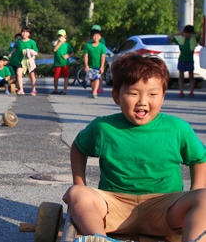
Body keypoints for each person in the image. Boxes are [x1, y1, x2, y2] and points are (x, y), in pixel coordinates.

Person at [63, 53, 206, 242]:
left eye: (152, 94)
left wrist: (194, 193)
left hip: (165, 208)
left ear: (163, 96)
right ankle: (99, 238)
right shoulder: (104, 128)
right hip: (113, 207)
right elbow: (79, 148)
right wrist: (80, 184)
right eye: (133, 93)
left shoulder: (177, 128)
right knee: (76, 193)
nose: (142, 101)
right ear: (116, 96)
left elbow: (199, 159)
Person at [168, 25, 202, 98]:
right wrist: (178, 33)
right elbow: (169, 36)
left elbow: (199, 33)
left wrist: (194, 32)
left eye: (189, 33)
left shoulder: (194, 39)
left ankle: (191, 92)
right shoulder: (181, 39)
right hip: (182, 60)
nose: (187, 34)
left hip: (190, 60)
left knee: (191, 76)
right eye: (186, 33)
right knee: (181, 76)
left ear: (191, 33)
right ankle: (181, 92)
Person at [8, 26, 39, 95]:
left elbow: (36, 52)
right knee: (18, 73)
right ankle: (21, 89)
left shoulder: (32, 42)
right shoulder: (19, 41)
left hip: (29, 60)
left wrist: (29, 52)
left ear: (29, 34)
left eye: (26, 32)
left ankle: (33, 89)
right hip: (21, 61)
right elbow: (16, 48)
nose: (24, 33)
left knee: (31, 75)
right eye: (23, 32)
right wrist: (11, 53)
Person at [84, 28, 106, 99]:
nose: (96, 37)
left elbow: (103, 57)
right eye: (94, 36)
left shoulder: (102, 46)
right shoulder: (88, 46)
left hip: (98, 66)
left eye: (97, 35)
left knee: (97, 78)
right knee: (91, 79)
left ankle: (94, 92)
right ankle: (94, 90)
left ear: (100, 37)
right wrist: (86, 65)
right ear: (91, 37)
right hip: (90, 66)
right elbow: (86, 56)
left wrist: (102, 66)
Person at [52, 29, 74, 95]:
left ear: (65, 36)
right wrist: (58, 44)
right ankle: (55, 90)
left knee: (66, 77)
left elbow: (72, 52)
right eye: (59, 36)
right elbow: (54, 50)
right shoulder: (55, 43)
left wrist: (68, 56)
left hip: (65, 63)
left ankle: (64, 91)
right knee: (56, 77)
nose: (60, 37)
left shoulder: (67, 44)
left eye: (61, 36)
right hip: (57, 63)